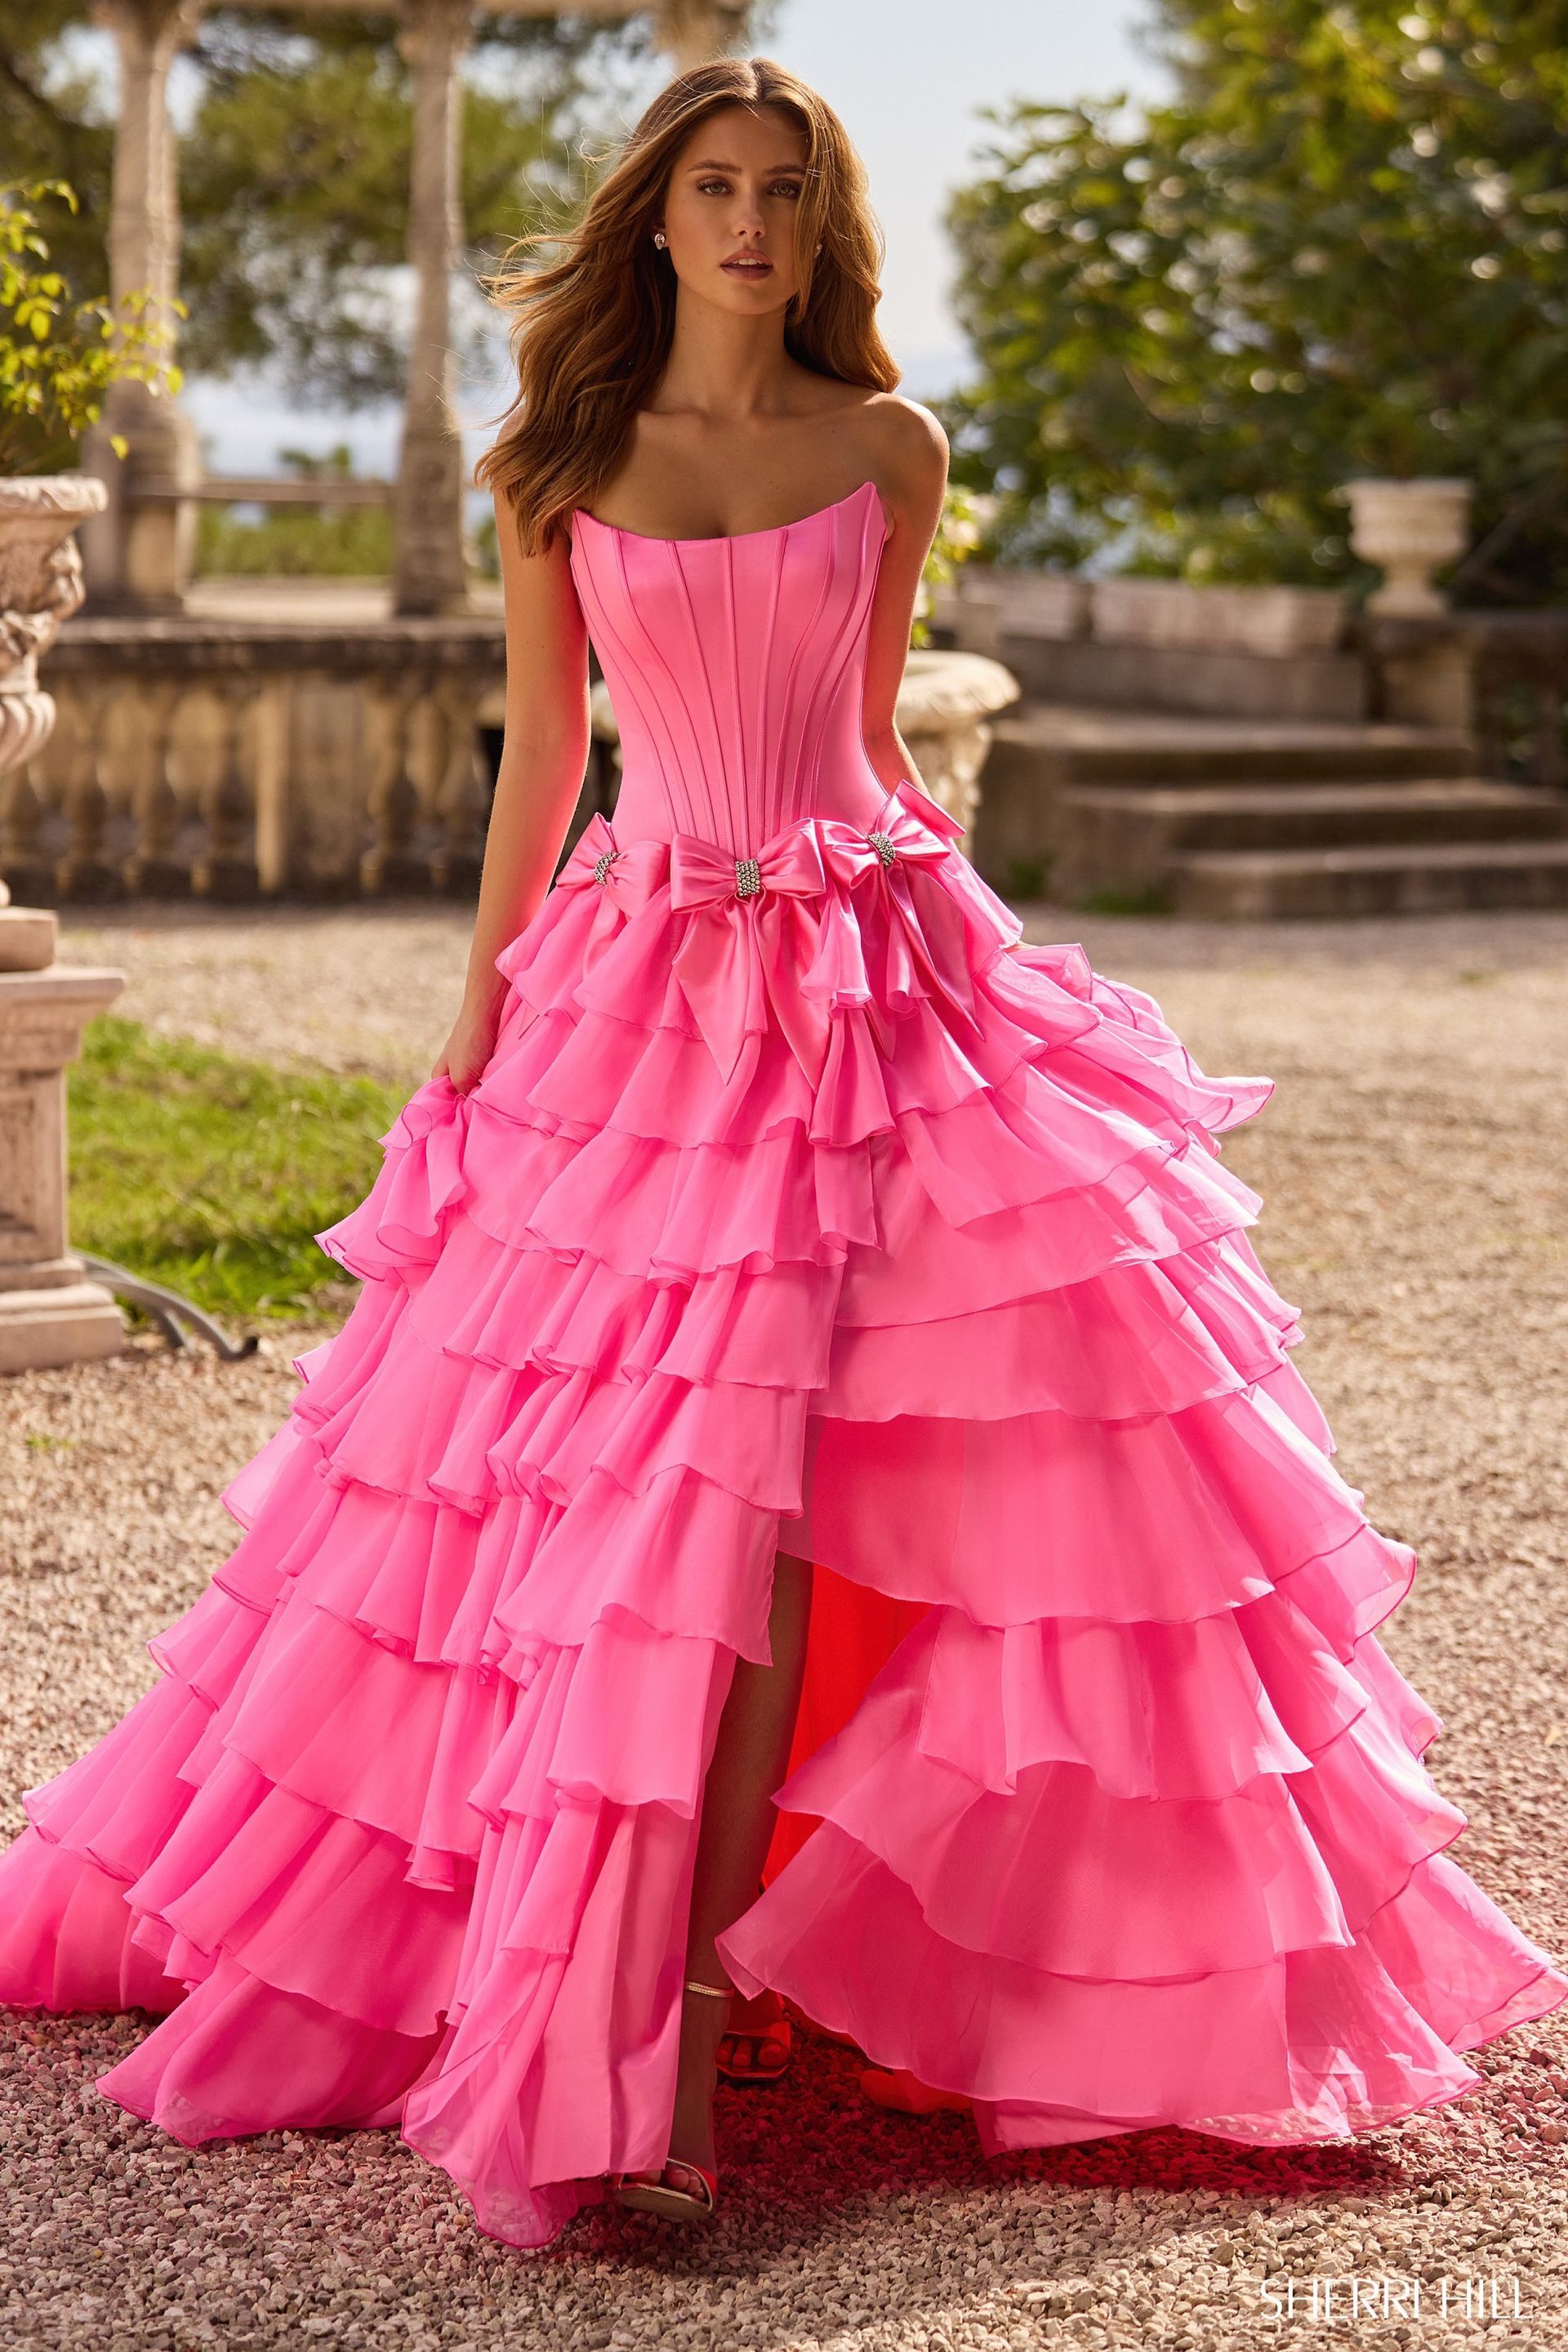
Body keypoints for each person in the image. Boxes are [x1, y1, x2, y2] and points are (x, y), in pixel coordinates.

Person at [2, 54, 1564, 2252]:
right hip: (653, 997)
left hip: (884, 977)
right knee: (665, 1526)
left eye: (787, 193)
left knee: (889, 1490)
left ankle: (774, 1974)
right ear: (655, 217)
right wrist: (479, 1026)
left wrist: (1000, 984)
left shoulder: (888, 448)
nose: (751, 225)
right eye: (717, 188)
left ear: (822, 228)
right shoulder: (559, 463)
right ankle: (636, 2030)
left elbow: (870, 744)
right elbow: (546, 757)